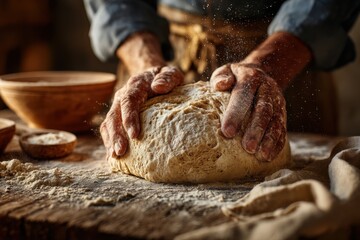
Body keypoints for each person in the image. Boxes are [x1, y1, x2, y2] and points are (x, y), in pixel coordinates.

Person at [84, 0, 360, 162]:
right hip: (164, 46)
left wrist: (267, 64)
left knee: (273, 156)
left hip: (287, 55)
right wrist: (145, 63)